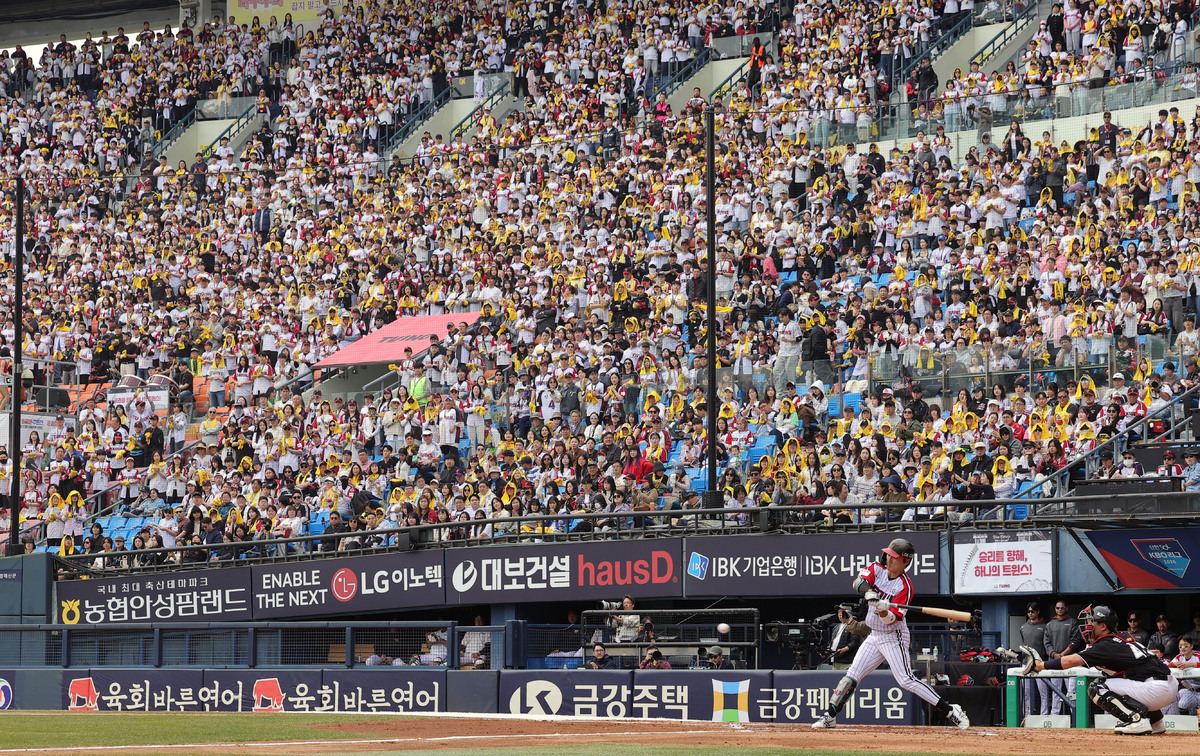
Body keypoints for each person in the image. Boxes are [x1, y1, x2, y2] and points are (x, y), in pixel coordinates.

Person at [813, 538, 969, 729]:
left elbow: (891, 620)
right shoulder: (877, 568)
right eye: (888, 555)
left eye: (894, 557)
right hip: (874, 636)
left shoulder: (905, 587)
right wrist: (870, 593)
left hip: (893, 637)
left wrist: (882, 610)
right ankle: (830, 716)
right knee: (852, 674)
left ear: (906, 561)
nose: (889, 559)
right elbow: (858, 582)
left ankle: (951, 710)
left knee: (906, 680)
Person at [1032, 605, 1178, 735]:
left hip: (1155, 689)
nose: (1088, 626)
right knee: (1117, 681)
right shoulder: (1121, 636)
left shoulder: (1104, 645)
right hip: (1168, 685)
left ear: (1103, 626)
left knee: (1096, 687)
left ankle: (1136, 720)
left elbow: (1069, 661)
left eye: (1092, 622)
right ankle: (1156, 722)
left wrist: (1040, 665)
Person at [1044, 599, 1082, 716]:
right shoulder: (1050, 624)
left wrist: (1063, 654)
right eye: (1057, 608)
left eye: (1062, 608)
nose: (1059, 610)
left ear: (1066, 609)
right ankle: (1055, 717)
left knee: (1072, 692)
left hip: (1069, 662)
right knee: (1056, 692)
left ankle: (1075, 717)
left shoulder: (1072, 622)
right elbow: (1046, 642)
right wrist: (1054, 654)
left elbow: (1076, 641)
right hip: (1055, 662)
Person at [1020, 601, 1051, 718]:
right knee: (1026, 692)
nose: (1030, 613)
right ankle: (1026, 715)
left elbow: (1047, 644)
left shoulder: (1045, 627)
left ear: (1038, 612)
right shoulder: (1023, 627)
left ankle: (1044, 716)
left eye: (1032, 611)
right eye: (1028, 611)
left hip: (1040, 663)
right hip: (1026, 663)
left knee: (1043, 692)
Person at [825, 605, 863, 670]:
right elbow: (832, 642)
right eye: (838, 612)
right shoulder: (836, 627)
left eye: (842, 612)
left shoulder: (854, 626)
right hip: (835, 661)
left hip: (847, 662)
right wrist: (826, 652)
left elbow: (854, 642)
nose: (840, 614)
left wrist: (845, 649)